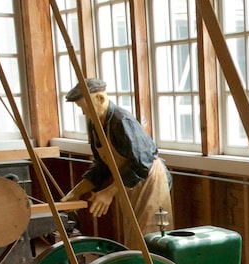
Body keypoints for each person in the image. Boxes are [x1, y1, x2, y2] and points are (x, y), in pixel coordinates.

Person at [61, 77, 173, 250]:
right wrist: (76, 193)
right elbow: (101, 166)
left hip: (150, 182)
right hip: (128, 185)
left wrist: (108, 192)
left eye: (86, 108)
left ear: (101, 99)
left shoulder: (122, 121)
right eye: (81, 109)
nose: (84, 113)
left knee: (150, 241)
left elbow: (143, 163)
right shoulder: (95, 125)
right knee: (134, 238)